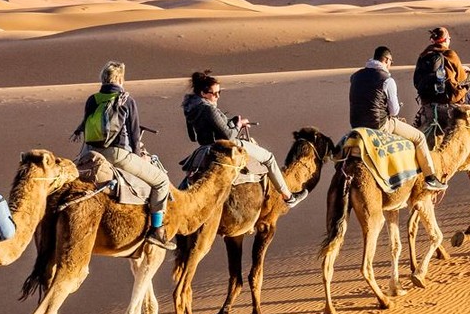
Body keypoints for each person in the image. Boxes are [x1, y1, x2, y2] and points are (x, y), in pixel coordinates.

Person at [75, 60, 174, 250]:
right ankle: (156, 229)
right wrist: (138, 157)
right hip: (117, 154)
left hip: (91, 153)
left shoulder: (92, 99)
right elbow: (134, 135)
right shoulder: (126, 100)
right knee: (161, 180)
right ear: (120, 78)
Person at [182, 71, 307, 208]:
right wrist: (238, 125)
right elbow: (229, 136)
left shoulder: (190, 108)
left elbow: (192, 136)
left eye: (219, 92)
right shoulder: (208, 109)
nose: (217, 96)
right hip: (224, 145)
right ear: (203, 93)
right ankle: (289, 197)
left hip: (203, 147)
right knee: (269, 158)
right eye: (214, 93)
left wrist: (230, 122)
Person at [349, 46, 447, 192]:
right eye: (391, 62)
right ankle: (430, 177)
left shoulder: (355, 76)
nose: (390, 66)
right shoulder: (387, 80)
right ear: (387, 60)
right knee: (419, 137)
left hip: (356, 125)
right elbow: (394, 111)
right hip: (379, 125)